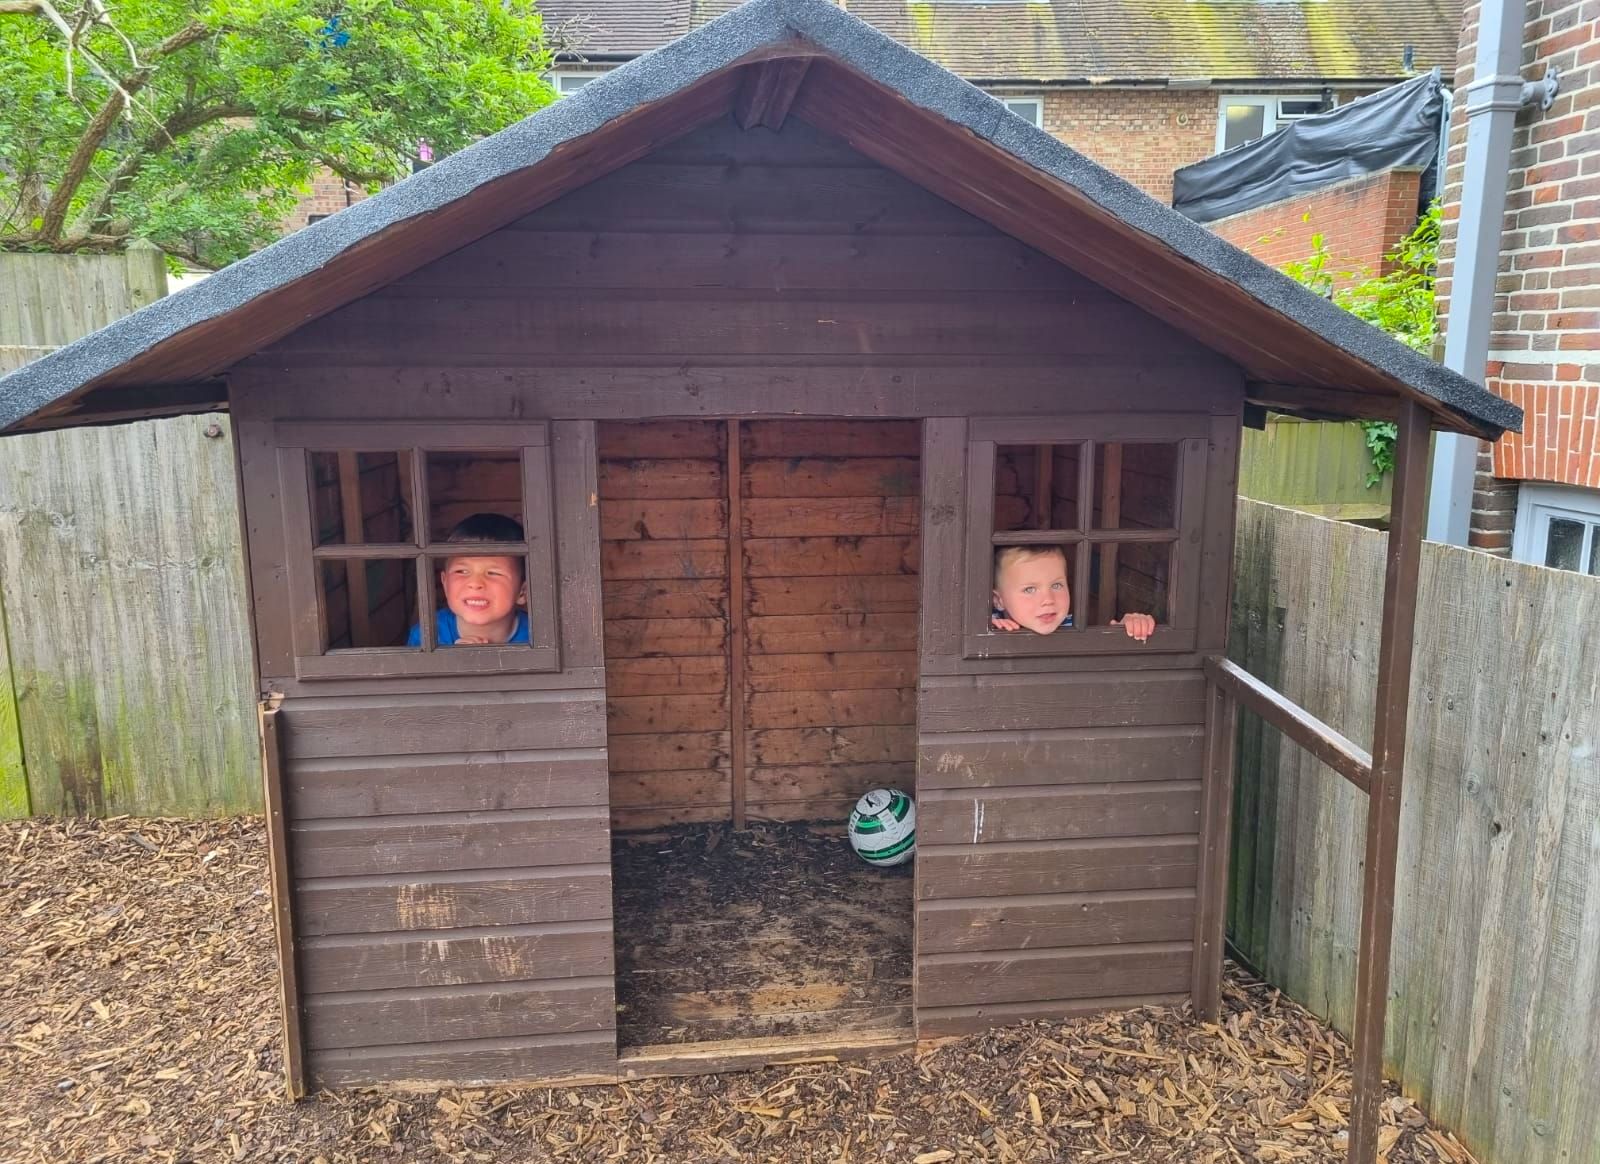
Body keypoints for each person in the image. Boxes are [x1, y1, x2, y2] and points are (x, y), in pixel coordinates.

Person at [407, 513, 531, 646]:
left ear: (522, 592)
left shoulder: (538, 636)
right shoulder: (428, 634)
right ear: (445, 583)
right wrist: (456, 662)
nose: (475, 583)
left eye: (493, 573)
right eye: (462, 571)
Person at [990, 544, 1155, 642]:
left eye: (1056, 585)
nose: (1048, 600)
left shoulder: (1075, 628)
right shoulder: (989, 625)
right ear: (998, 600)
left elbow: (1104, 651)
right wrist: (991, 629)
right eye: (1030, 589)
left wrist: (1127, 628)